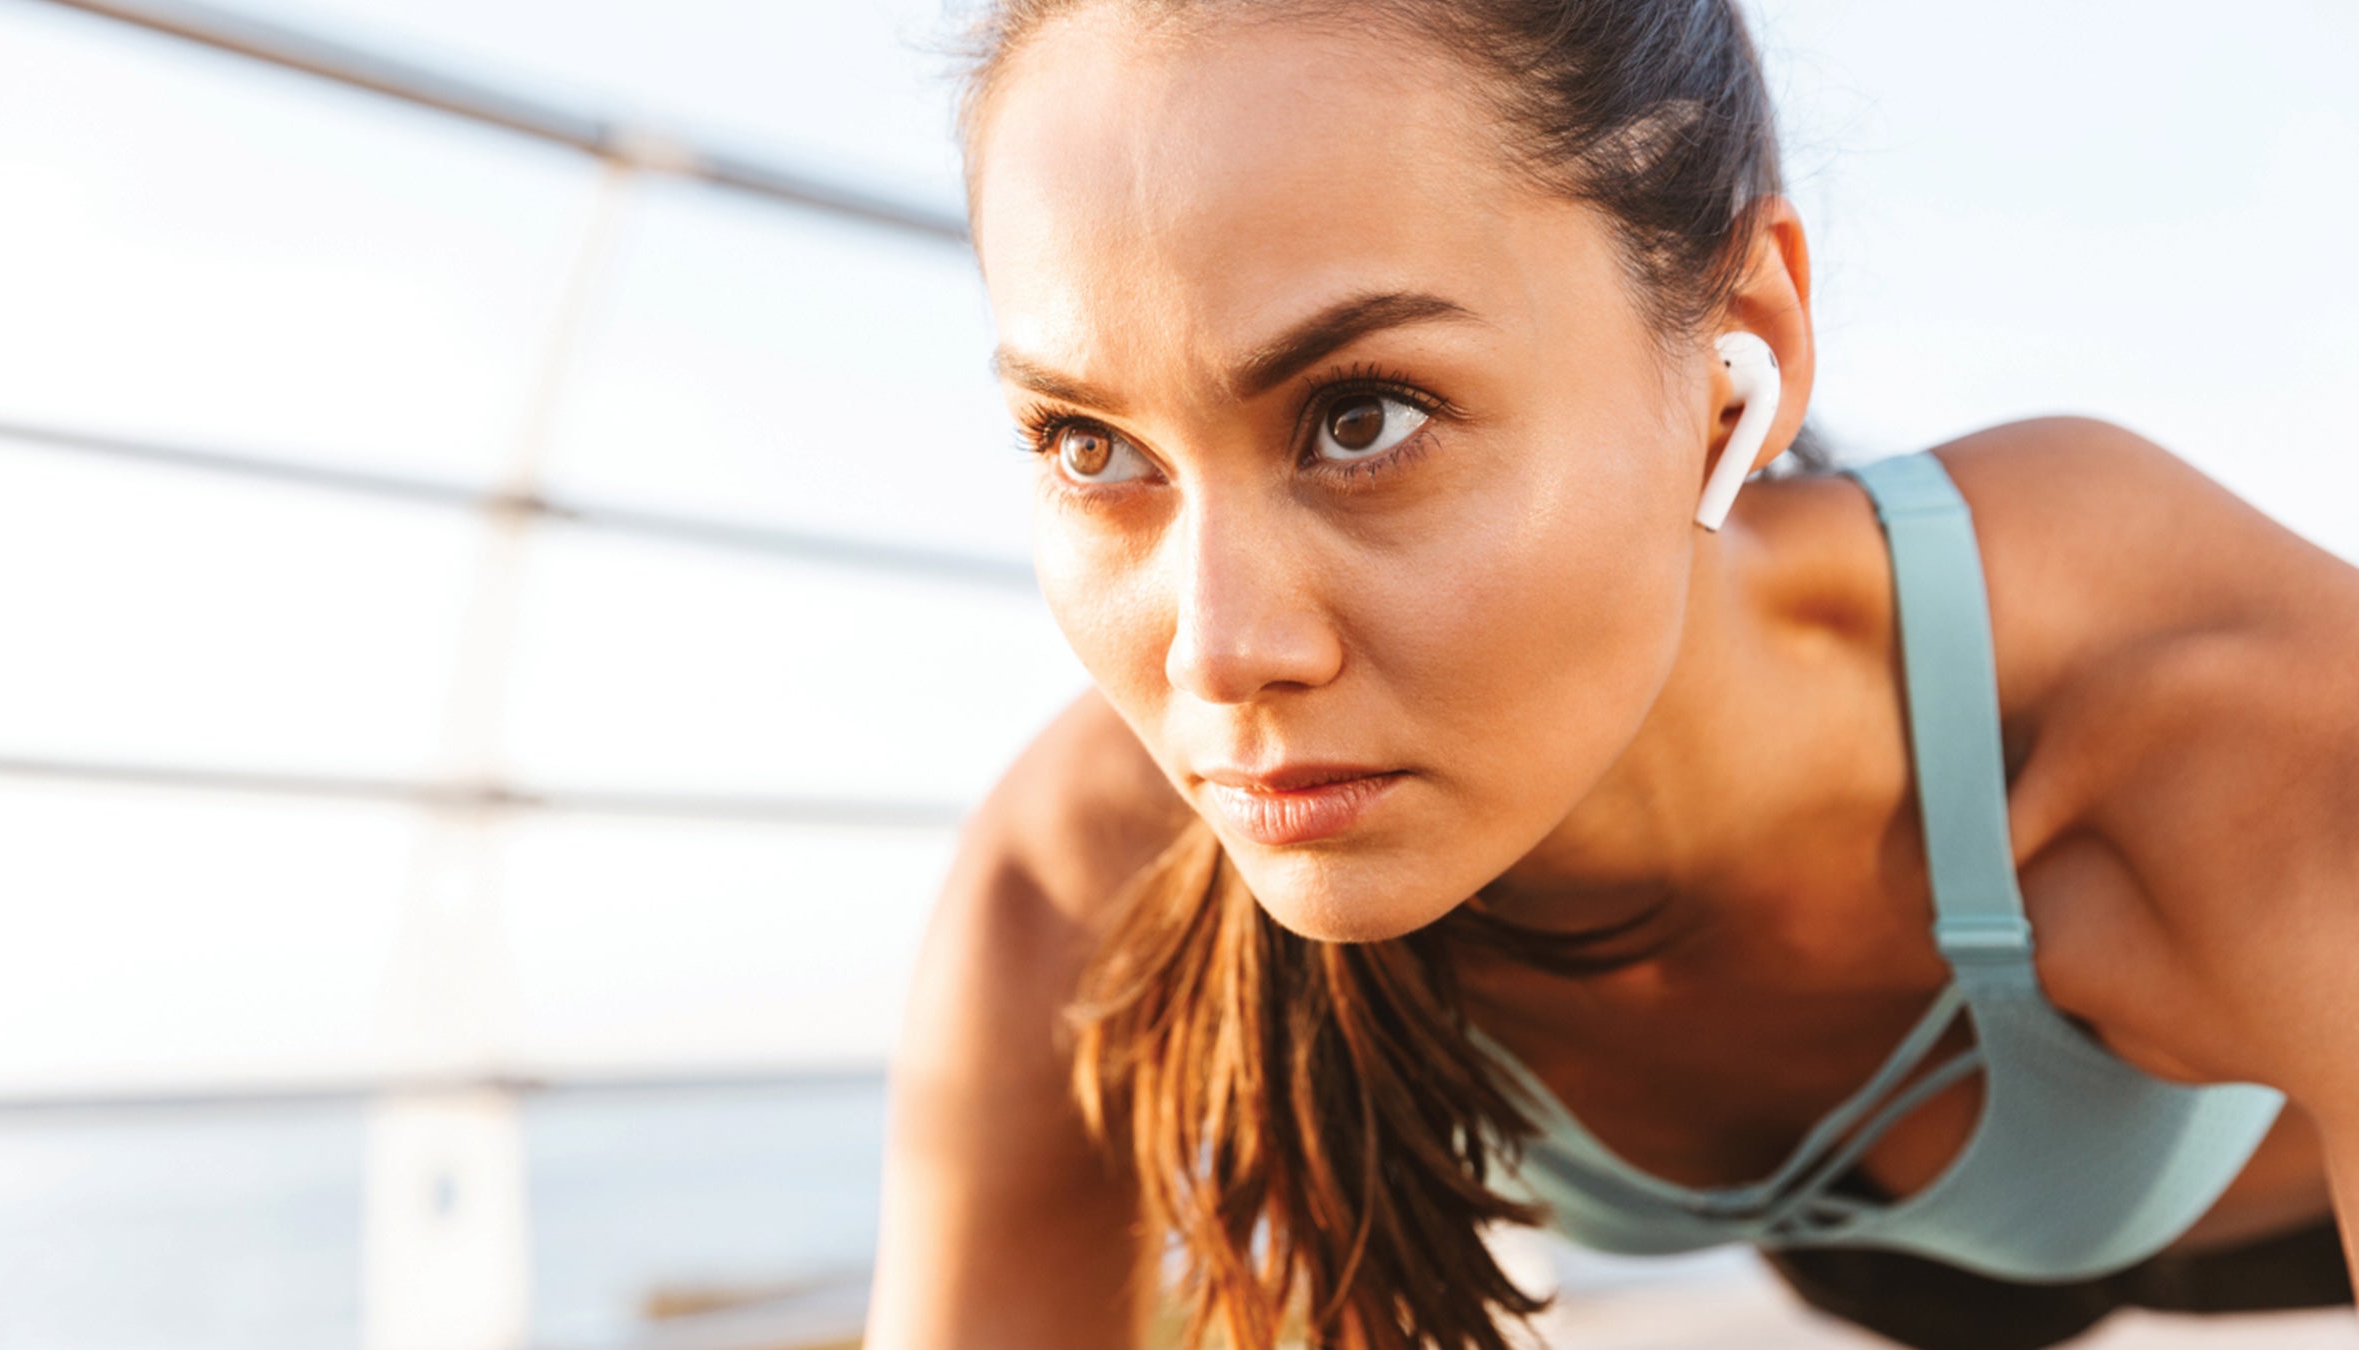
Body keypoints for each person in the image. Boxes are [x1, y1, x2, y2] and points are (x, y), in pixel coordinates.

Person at [863, 2, 2359, 1346]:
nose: (1216, 649)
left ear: (1739, 349)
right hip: (1858, 1254)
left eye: (1366, 416)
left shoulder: (2223, 720)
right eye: (1090, 447)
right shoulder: (1080, 878)